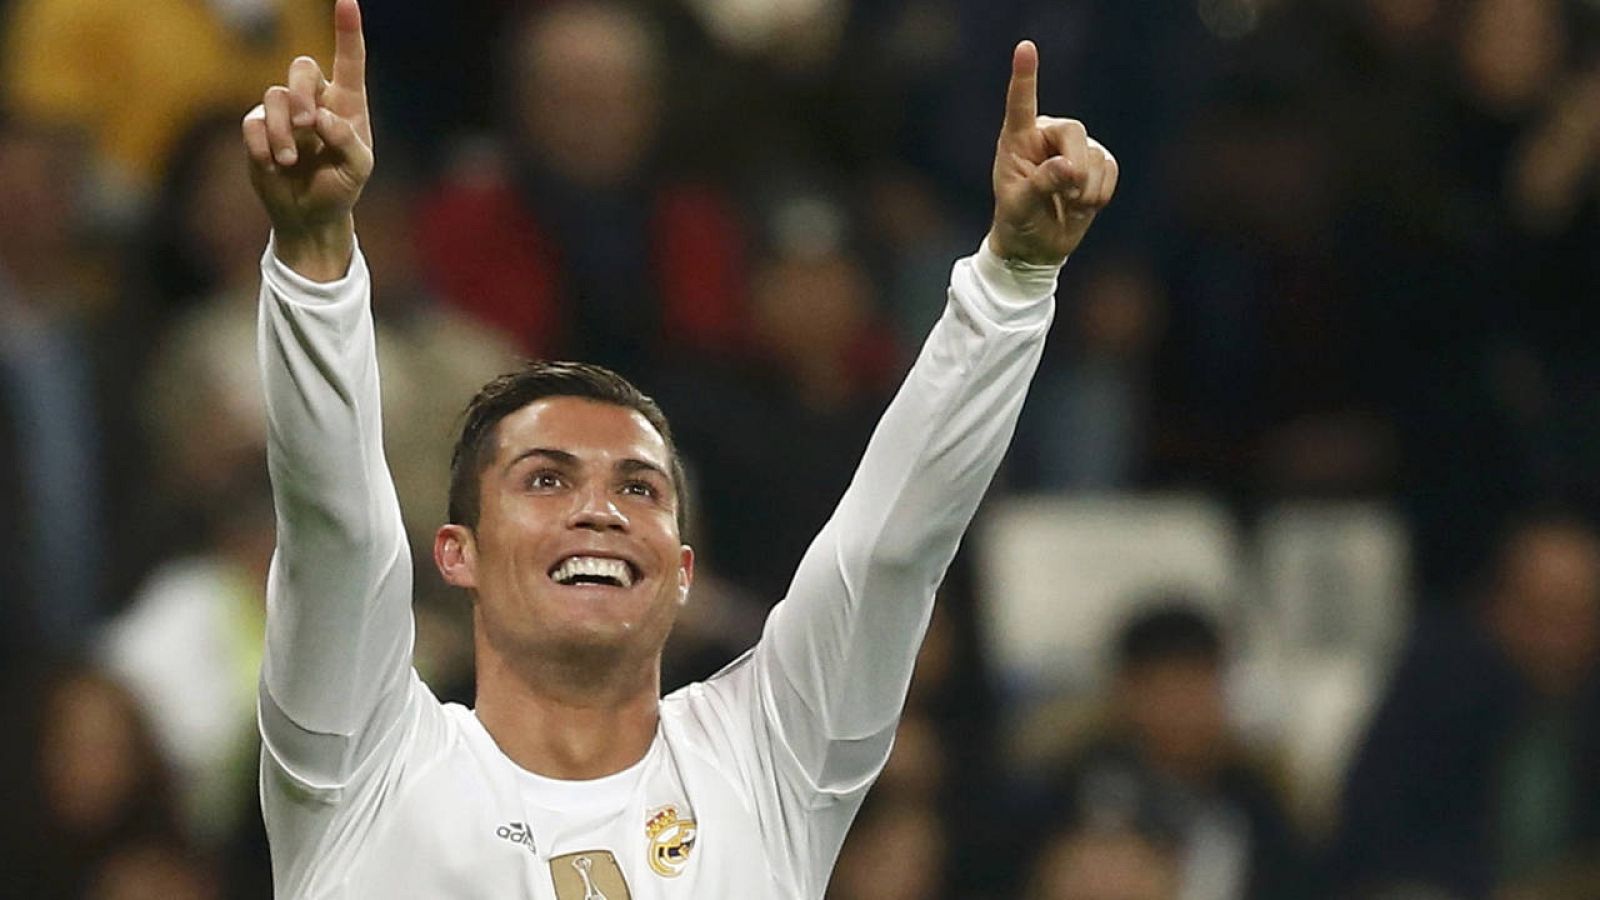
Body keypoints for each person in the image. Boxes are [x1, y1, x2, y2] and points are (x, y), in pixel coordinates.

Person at [239, 0, 1117, 895]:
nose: (600, 510)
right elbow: (335, 527)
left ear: (684, 568)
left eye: (641, 489)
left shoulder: (769, 762)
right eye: (545, 479)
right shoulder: (363, 761)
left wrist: (1014, 280)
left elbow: (893, 547)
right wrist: (314, 255)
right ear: (456, 552)